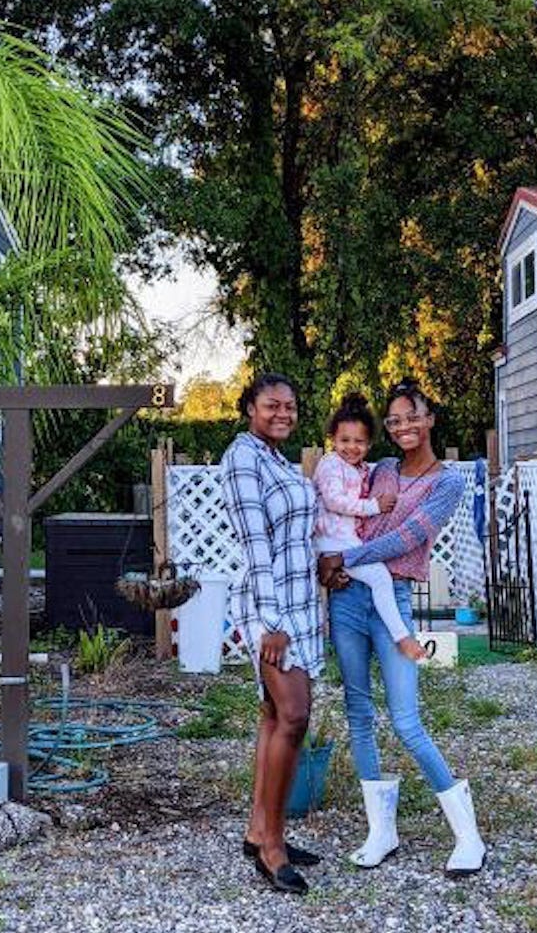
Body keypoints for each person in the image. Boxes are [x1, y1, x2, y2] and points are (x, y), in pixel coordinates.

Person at [317, 380, 487, 877]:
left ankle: (469, 838)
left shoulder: (448, 481)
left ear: (430, 417)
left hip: (388, 594)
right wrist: (331, 561)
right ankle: (381, 831)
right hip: (347, 595)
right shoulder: (382, 468)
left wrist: (342, 558)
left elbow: (410, 536)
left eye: (411, 416)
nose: (403, 427)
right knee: (358, 713)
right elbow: (347, 512)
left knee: (407, 721)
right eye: (393, 421)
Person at [219, 373, 322, 895]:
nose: (283, 413)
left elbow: (296, 535)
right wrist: (273, 623)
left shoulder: (277, 460)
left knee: (273, 716)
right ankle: (272, 847)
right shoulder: (242, 458)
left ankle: (258, 829)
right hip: (271, 608)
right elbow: (256, 545)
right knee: (295, 714)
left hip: (299, 603)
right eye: (271, 405)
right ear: (249, 408)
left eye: (290, 405)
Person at [312, 393, 427, 663]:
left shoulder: (359, 467)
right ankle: (402, 637)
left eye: (359, 442)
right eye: (344, 441)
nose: (351, 447)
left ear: (369, 443)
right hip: (333, 542)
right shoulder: (331, 464)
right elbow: (333, 500)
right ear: (332, 439)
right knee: (379, 578)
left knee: (375, 578)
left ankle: (383, 637)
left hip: (346, 542)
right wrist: (372, 507)